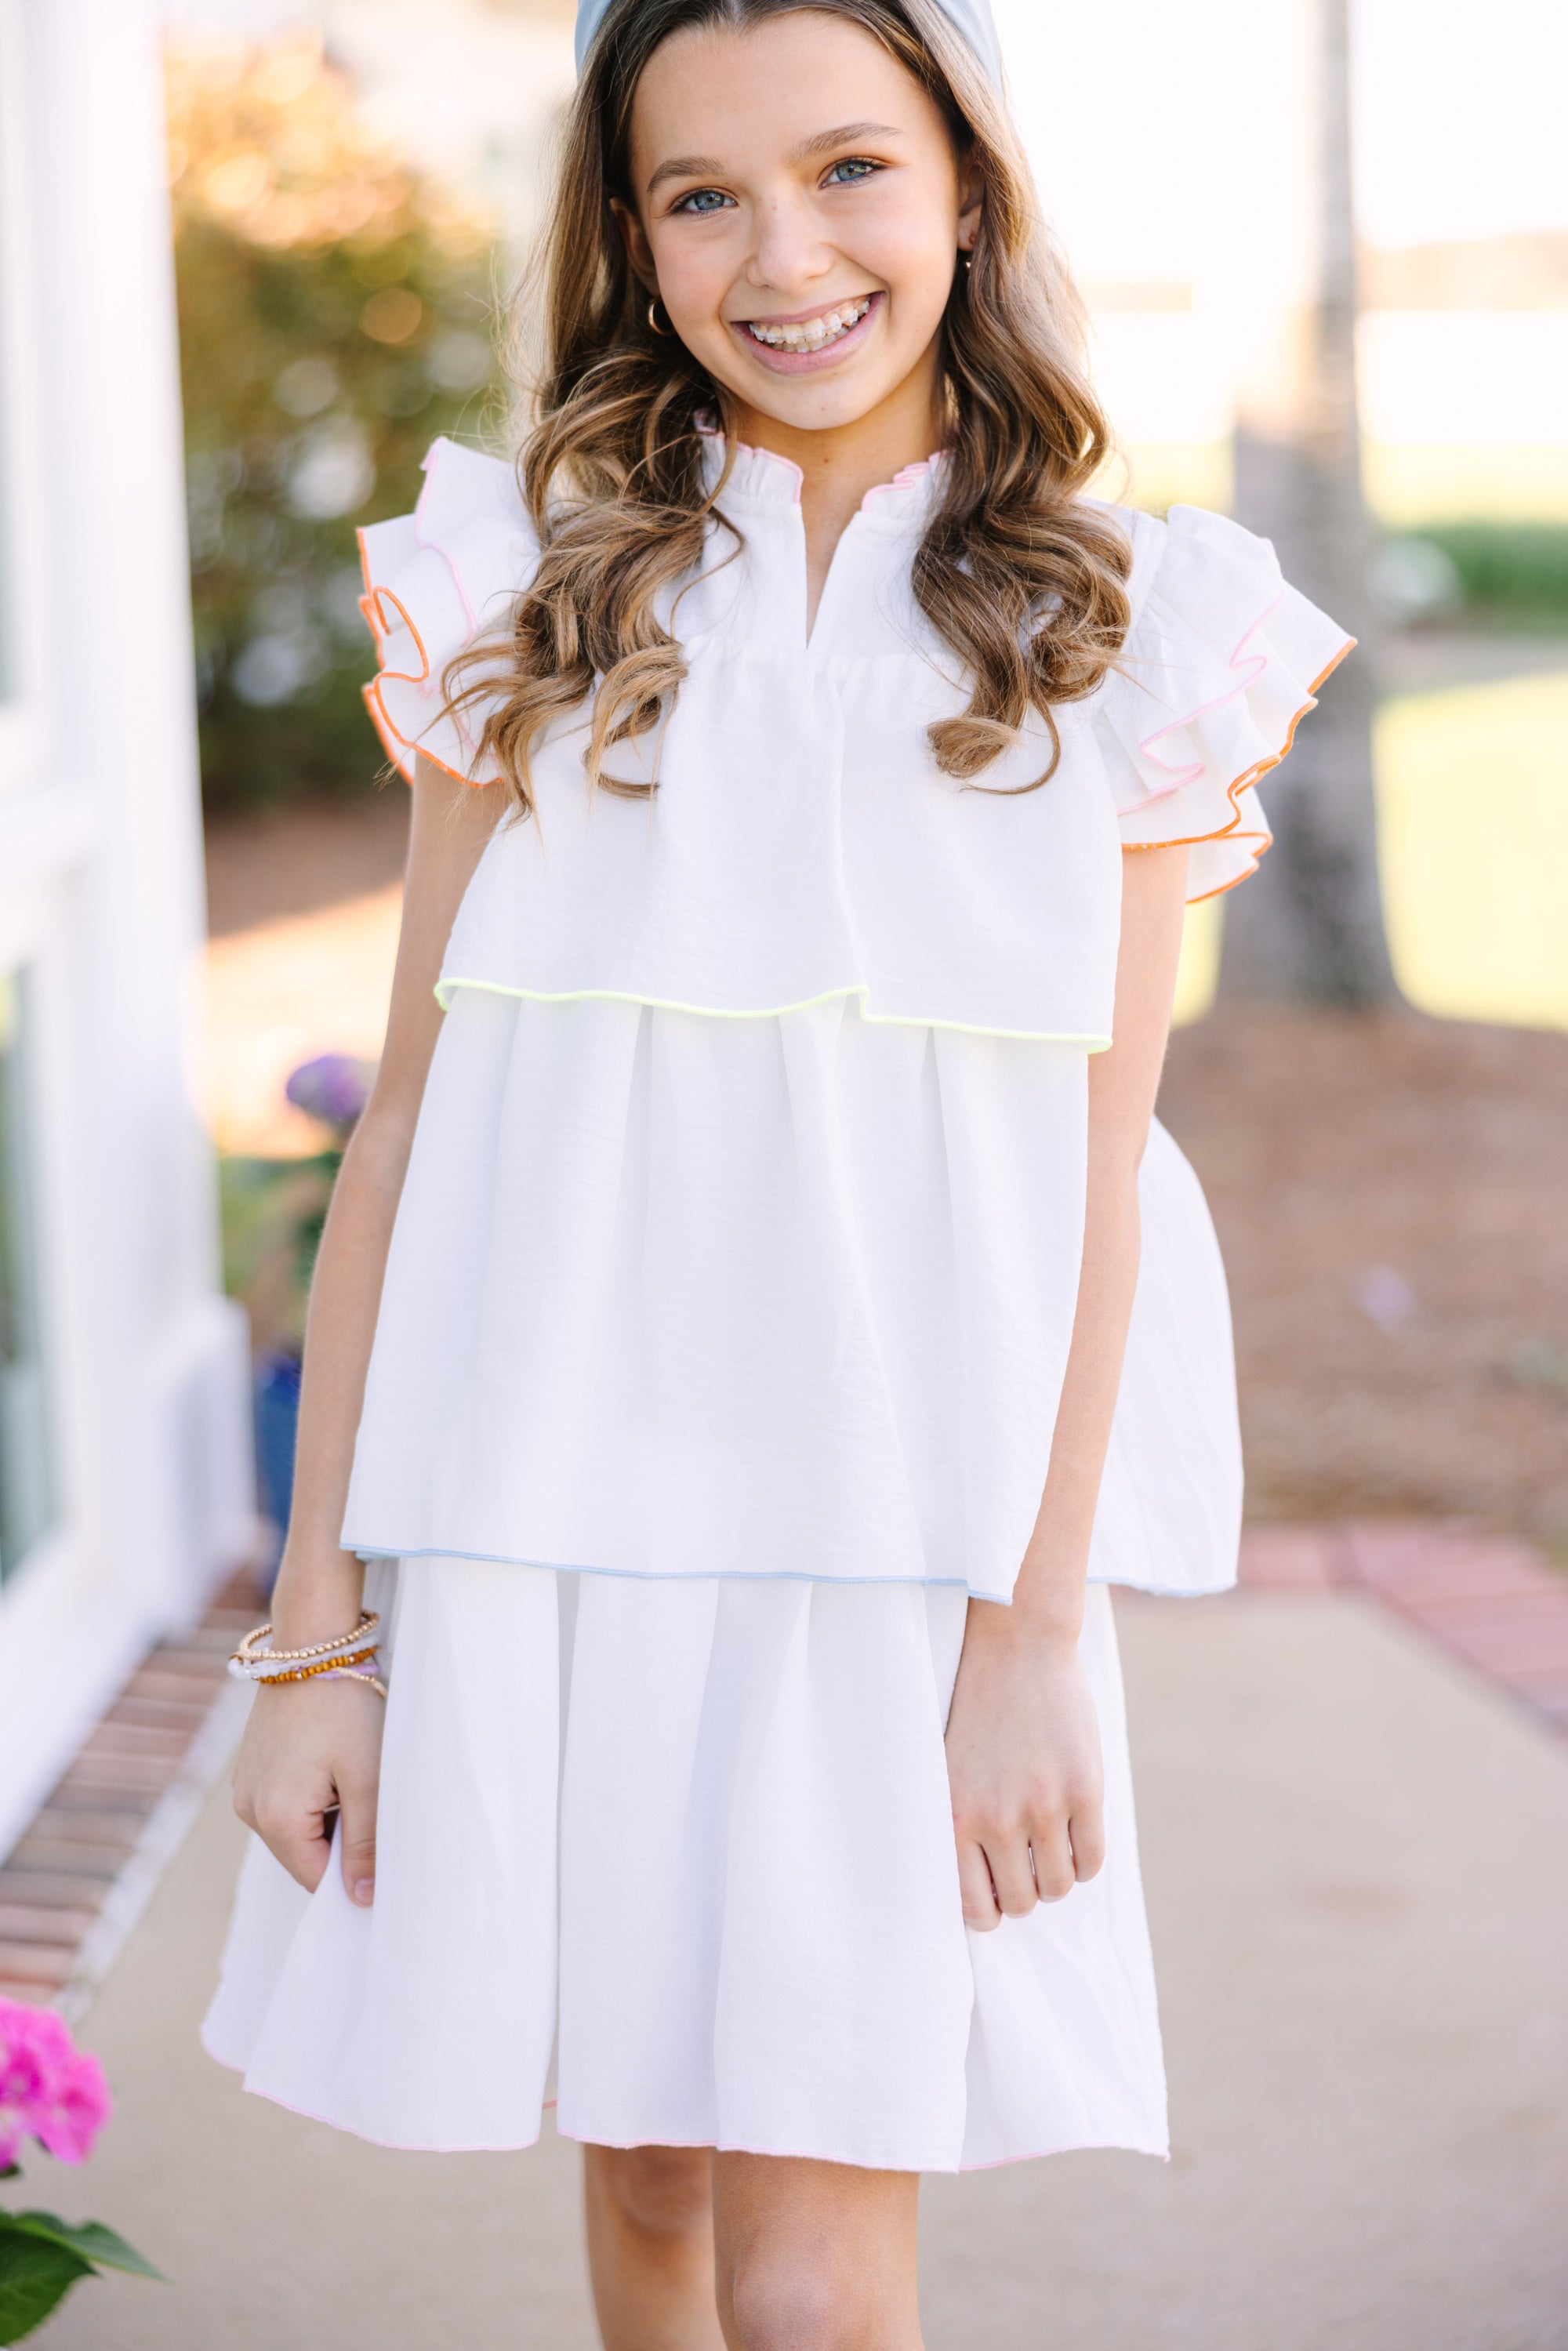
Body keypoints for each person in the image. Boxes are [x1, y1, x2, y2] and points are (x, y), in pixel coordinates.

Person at [205, 2, 1352, 2341]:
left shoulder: (1119, 624)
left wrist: (1029, 1639)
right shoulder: (525, 580)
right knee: (637, 2169)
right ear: (630, 236)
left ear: (965, 186)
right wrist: (317, 1635)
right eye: (701, 192)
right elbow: (408, 1128)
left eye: (850, 169)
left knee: (824, 2260)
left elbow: (1097, 1177)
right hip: (540, 1507)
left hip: (898, 1551)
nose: (784, 253)